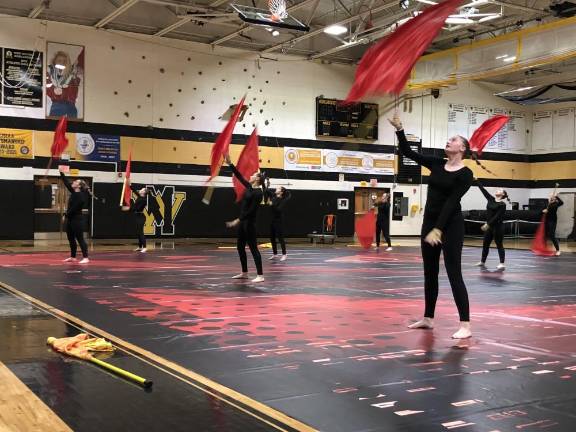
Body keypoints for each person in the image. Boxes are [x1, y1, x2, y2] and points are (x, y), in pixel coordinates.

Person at [389, 114, 474, 339]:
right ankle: (428, 318)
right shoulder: (437, 163)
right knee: (430, 272)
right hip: (430, 224)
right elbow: (408, 153)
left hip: (451, 226)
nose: (449, 141)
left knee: (454, 273)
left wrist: (439, 228)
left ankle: (465, 325)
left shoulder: (466, 174)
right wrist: (400, 130)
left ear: (463, 148)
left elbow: (451, 202)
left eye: (454, 139)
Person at [224, 154, 265, 283]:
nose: (251, 175)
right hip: (243, 223)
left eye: (254, 175)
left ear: (258, 179)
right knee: (240, 247)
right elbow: (239, 176)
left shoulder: (258, 193)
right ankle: (244, 272)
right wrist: (230, 164)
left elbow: (251, 211)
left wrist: (237, 220)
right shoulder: (249, 187)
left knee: (253, 248)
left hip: (249, 224)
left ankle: (260, 275)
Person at [475, 182, 509, 270]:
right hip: (489, 227)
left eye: (500, 190)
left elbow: (497, 217)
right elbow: (483, 190)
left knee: (499, 244)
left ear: (503, 194)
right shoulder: (490, 199)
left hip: (498, 227)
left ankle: (502, 263)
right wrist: (476, 180)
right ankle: (482, 261)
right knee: (485, 244)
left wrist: (487, 224)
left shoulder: (502, 205)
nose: (497, 190)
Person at [60, 170, 89, 264]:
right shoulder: (74, 192)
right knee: (71, 238)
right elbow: (67, 183)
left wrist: (66, 215)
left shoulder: (80, 196)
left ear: (79, 186)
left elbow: (74, 208)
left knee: (80, 238)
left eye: (76, 182)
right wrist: (61, 173)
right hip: (71, 219)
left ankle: (86, 257)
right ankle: (73, 257)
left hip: (77, 220)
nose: (73, 182)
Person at [46, 51, 82, 118]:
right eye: (59, 60)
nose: (62, 63)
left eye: (64, 61)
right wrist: (54, 91)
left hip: (71, 107)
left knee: (72, 127)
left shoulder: (73, 74)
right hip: (57, 105)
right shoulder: (48, 72)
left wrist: (63, 92)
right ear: (54, 61)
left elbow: (74, 92)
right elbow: (47, 89)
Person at [266, 181, 291, 261]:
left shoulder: (282, 200)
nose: (276, 189)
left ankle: (284, 254)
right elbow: (266, 191)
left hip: (278, 220)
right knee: (272, 238)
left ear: (281, 191)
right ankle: (275, 254)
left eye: (278, 188)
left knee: (280, 238)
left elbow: (278, 210)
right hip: (272, 220)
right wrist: (266, 184)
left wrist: (272, 204)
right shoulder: (274, 196)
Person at [122, 186, 148, 253]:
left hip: (141, 217)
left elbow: (137, 208)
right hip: (137, 216)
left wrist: (128, 209)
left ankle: (144, 247)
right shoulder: (140, 196)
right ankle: (140, 247)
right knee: (138, 232)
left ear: (144, 192)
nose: (140, 189)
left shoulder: (143, 200)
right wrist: (129, 184)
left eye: (142, 189)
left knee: (140, 232)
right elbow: (134, 190)